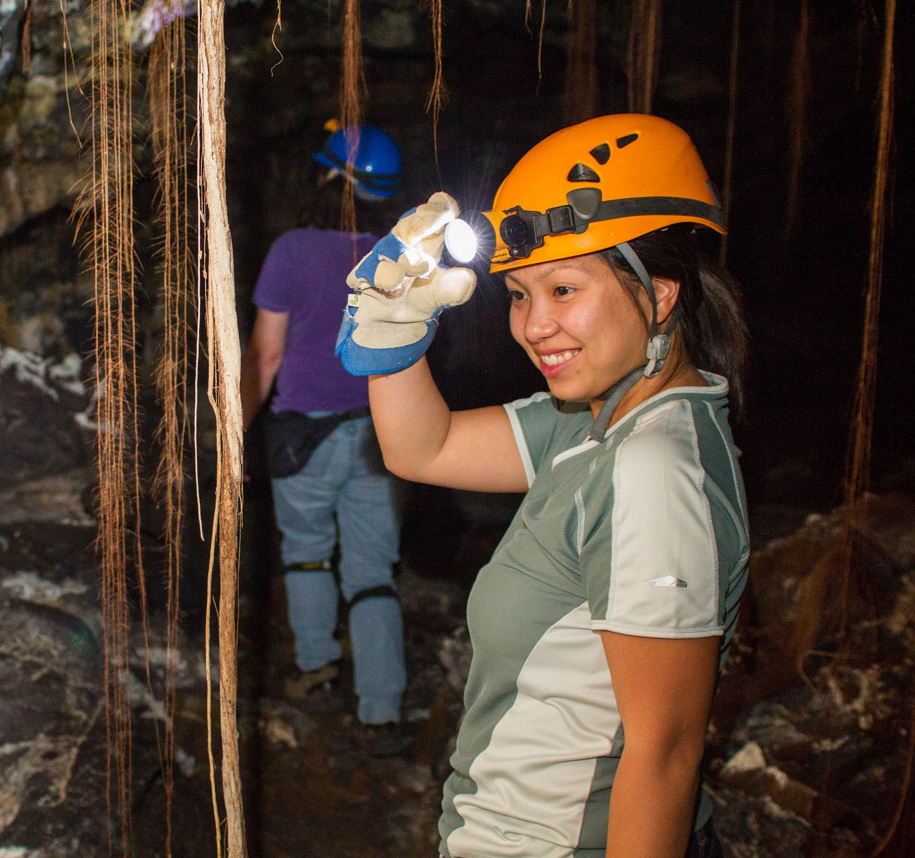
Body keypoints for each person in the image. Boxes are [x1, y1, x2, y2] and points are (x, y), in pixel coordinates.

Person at [336, 114, 747, 856]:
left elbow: (663, 756)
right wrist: (393, 336)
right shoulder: (592, 420)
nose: (533, 326)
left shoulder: (653, 469)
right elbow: (425, 447)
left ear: (658, 295)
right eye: (521, 294)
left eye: (564, 289)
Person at [241, 121, 411, 757]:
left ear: (327, 177)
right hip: (381, 437)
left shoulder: (292, 250)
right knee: (373, 569)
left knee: (308, 552)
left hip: (303, 438)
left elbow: (264, 356)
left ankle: (317, 669)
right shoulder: (401, 258)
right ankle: (382, 708)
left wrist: (233, 430)